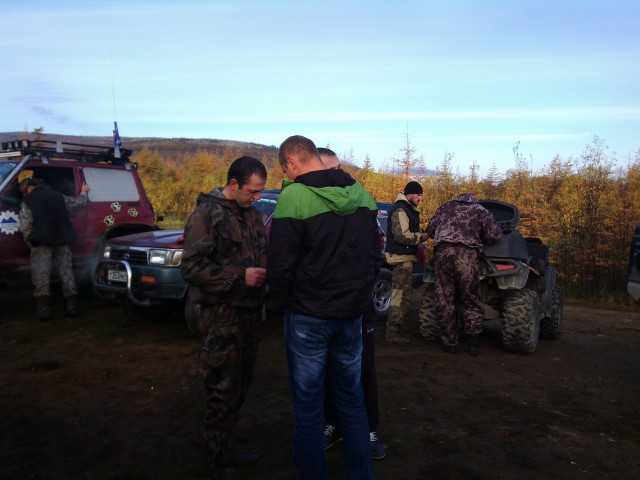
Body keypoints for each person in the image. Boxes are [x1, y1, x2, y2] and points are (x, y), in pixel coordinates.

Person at [268, 136, 378, 480]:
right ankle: (361, 474)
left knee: (308, 405)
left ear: (291, 162)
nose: (286, 175)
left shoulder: (294, 196)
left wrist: (274, 306)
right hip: (351, 314)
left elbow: (280, 266)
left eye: (284, 169)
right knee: (351, 397)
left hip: (308, 315)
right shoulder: (361, 194)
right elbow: (373, 256)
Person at [180, 156, 268, 480]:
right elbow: (191, 267)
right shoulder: (207, 214)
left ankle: (227, 446)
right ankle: (217, 461)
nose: (257, 196)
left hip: (250, 316)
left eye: (260, 191)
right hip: (221, 318)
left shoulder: (253, 215)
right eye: (253, 190)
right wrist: (239, 276)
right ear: (233, 184)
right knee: (221, 390)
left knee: (241, 387)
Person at [318, 147, 386, 460]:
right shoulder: (311, 203)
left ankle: (369, 429)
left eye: (337, 169)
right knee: (326, 367)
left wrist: (361, 284)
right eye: (327, 171)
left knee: (363, 366)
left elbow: (377, 249)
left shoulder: (361, 200)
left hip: (358, 304)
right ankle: (333, 423)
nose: (335, 176)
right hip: (322, 305)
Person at [423, 193, 503, 356]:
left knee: (444, 299)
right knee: (470, 298)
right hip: (466, 256)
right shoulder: (480, 210)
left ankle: (449, 343)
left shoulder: (444, 207)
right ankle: (472, 343)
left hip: (443, 254)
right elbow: (493, 236)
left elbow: (430, 230)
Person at [18, 177, 89, 320]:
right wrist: (84, 192)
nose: (24, 193)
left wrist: (31, 243)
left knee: (41, 275)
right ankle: (71, 307)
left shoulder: (27, 201)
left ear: (30, 187)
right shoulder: (58, 196)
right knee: (66, 272)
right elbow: (78, 203)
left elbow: (24, 226)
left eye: (24, 190)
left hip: (41, 242)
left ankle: (43, 311)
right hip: (62, 239)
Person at [384, 181, 428, 343]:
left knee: (405, 296)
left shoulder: (406, 209)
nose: (420, 198)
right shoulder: (401, 209)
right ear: (409, 194)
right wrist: (421, 237)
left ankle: (394, 330)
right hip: (400, 260)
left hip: (404, 259)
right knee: (400, 297)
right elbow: (402, 235)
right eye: (418, 195)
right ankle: (392, 332)